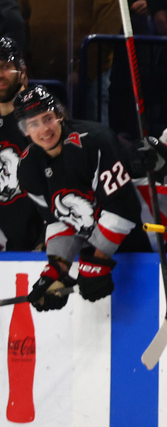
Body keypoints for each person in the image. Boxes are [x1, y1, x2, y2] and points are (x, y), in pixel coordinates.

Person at [16, 86, 149, 311]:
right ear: (25, 130)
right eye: (34, 124)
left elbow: (122, 207)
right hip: (105, 248)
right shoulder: (28, 168)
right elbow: (59, 221)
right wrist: (57, 269)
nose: (44, 130)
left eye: (47, 118)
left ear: (59, 114)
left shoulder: (95, 141)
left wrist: (97, 261)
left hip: (147, 239)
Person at [0, 37, 42, 252]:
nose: (0, 75)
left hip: (38, 247)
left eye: (6, 66)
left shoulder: (42, 121)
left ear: (22, 70)